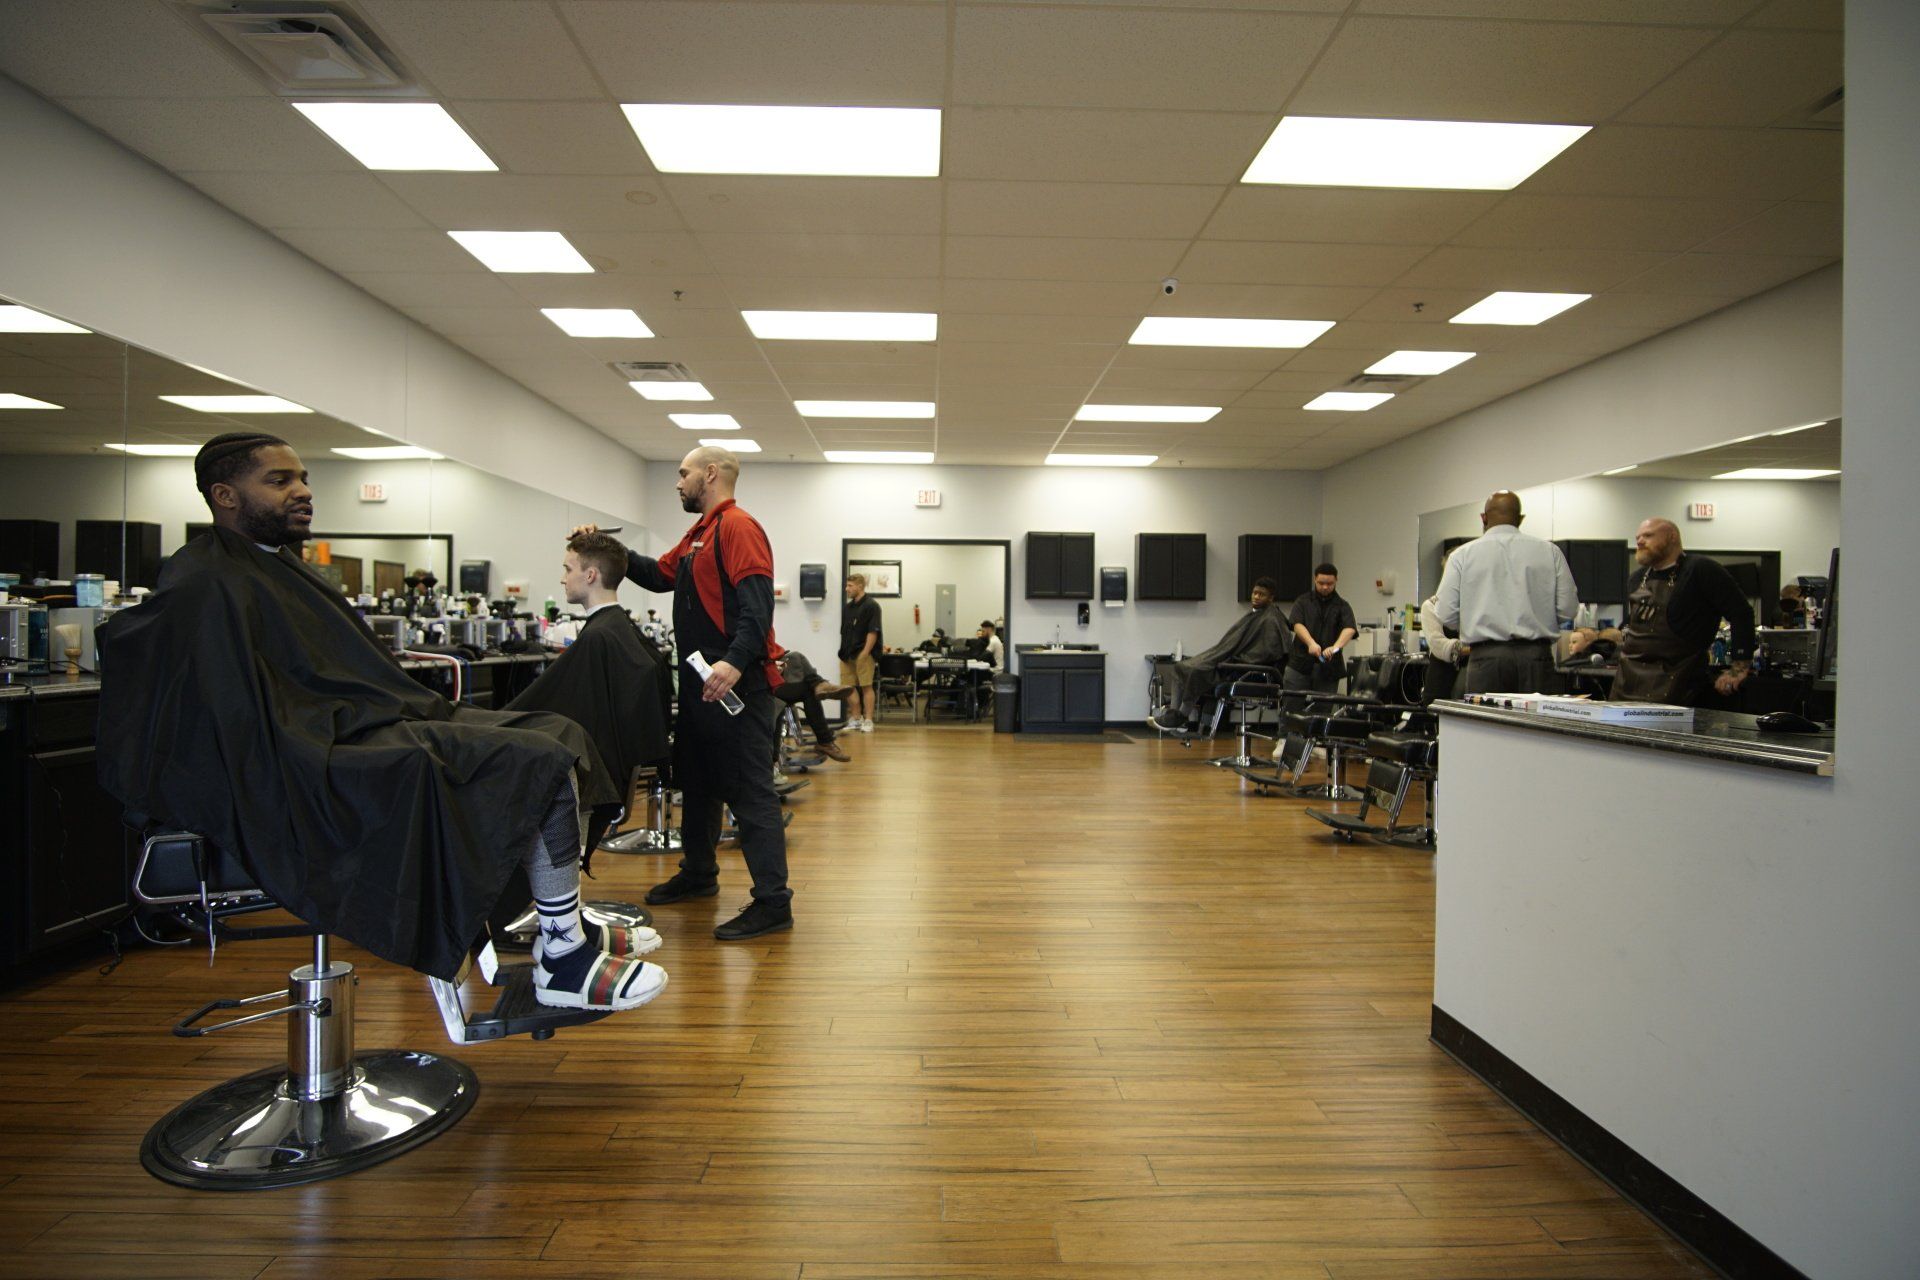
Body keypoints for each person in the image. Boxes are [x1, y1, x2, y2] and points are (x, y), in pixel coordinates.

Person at [96, 433, 665, 1012]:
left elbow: (337, 671)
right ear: (225, 495)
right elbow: (236, 713)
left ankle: (556, 927)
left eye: (303, 479)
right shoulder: (202, 583)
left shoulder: (285, 570)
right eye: (279, 481)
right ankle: (562, 958)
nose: (302, 492)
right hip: (303, 752)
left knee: (556, 732)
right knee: (533, 759)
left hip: (354, 721)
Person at [579, 445, 795, 941]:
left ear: (711, 474)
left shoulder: (738, 527)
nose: (677, 482)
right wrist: (606, 548)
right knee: (697, 782)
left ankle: (773, 902)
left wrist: (735, 662)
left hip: (737, 684)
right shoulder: (700, 535)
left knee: (750, 791)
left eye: (684, 473)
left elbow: (757, 608)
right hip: (702, 685)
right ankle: (699, 874)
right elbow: (658, 576)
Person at [507, 531, 673, 839]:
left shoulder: (599, 636)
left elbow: (549, 705)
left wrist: (497, 722)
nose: (562, 578)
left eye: (568, 569)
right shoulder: (616, 628)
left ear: (591, 574)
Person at [1571, 517, 1756, 705]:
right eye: (1638, 537)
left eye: (1648, 535)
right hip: (1627, 682)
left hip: (1678, 682)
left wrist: (1739, 667)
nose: (1640, 541)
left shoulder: (1700, 570)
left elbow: (1741, 613)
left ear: (1672, 536)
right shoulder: (1637, 579)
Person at [1433, 490, 1578, 694]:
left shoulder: (1461, 556)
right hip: (1536, 659)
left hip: (1486, 659)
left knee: (1486, 726)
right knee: (1535, 725)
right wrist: (1539, 619)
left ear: (1483, 518)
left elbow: (1446, 613)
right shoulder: (1550, 552)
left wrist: (1474, 622)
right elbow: (1568, 610)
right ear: (1520, 518)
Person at [1151, 577, 1291, 730]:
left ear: (1271, 598)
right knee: (1180, 667)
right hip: (1230, 661)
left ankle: (1182, 716)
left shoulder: (1271, 619)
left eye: (1261, 594)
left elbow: (1267, 652)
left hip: (1243, 669)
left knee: (1198, 670)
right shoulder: (1257, 615)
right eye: (1254, 593)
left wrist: (1233, 660)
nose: (1256, 597)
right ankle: (1173, 714)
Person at [1285, 566, 1358, 694]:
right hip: (1299, 664)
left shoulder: (1343, 606)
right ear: (1315, 580)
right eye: (1321, 583)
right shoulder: (1302, 601)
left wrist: (1335, 648)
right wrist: (1310, 643)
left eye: (1329, 584)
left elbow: (1350, 629)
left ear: (1336, 580)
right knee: (1291, 705)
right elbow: (1297, 624)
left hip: (1329, 668)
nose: (1325, 587)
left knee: (1323, 709)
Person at [774, 649, 852, 764]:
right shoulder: (747, 637)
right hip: (760, 687)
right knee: (810, 690)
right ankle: (821, 684)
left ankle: (820, 685)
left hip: (771, 678)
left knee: (795, 656)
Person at [840, 573, 883, 732]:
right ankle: (857, 718)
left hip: (864, 653)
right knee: (848, 687)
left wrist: (865, 653)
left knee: (866, 686)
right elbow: (845, 631)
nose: (847, 589)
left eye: (850, 586)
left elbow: (873, 632)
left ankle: (869, 720)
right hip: (846, 653)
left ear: (860, 586)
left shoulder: (871, 606)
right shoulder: (848, 607)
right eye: (847, 585)